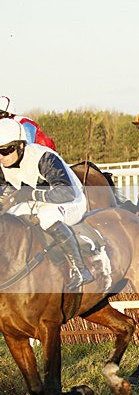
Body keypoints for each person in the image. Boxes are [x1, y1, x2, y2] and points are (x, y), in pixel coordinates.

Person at [0, 118, 94, 291]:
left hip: (72, 200)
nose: (1, 157)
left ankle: (79, 269)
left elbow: (66, 192)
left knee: (47, 217)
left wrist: (31, 194)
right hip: (38, 202)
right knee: (11, 217)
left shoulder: (43, 158)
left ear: (21, 146)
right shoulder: (2, 164)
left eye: (6, 150)